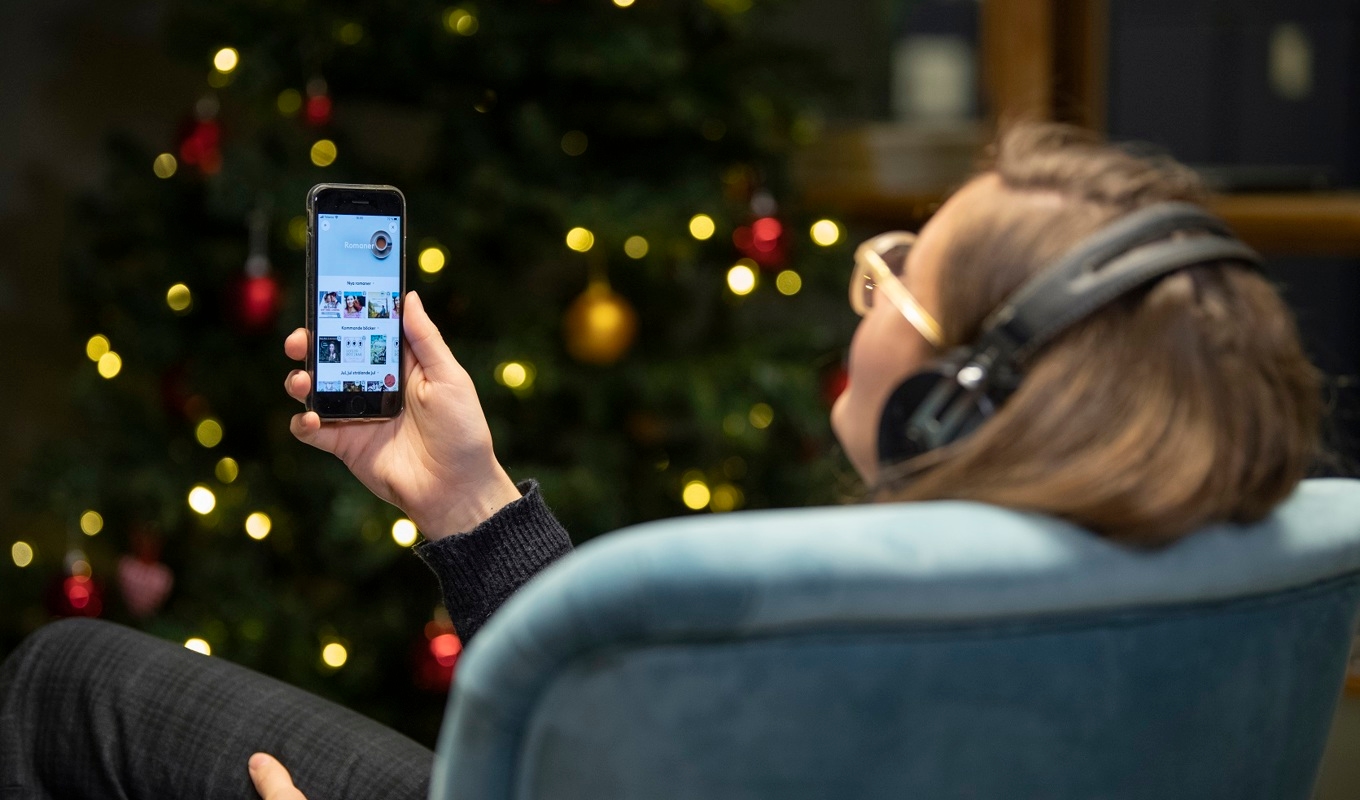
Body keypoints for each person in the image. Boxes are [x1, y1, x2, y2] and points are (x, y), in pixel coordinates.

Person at [0, 124, 1321, 799]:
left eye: (902, 272)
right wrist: (469, 498)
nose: (867, 285)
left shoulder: (854, 625)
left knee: (64, 687)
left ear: (956, 397)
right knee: (80, 678)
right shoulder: (1197, 581)